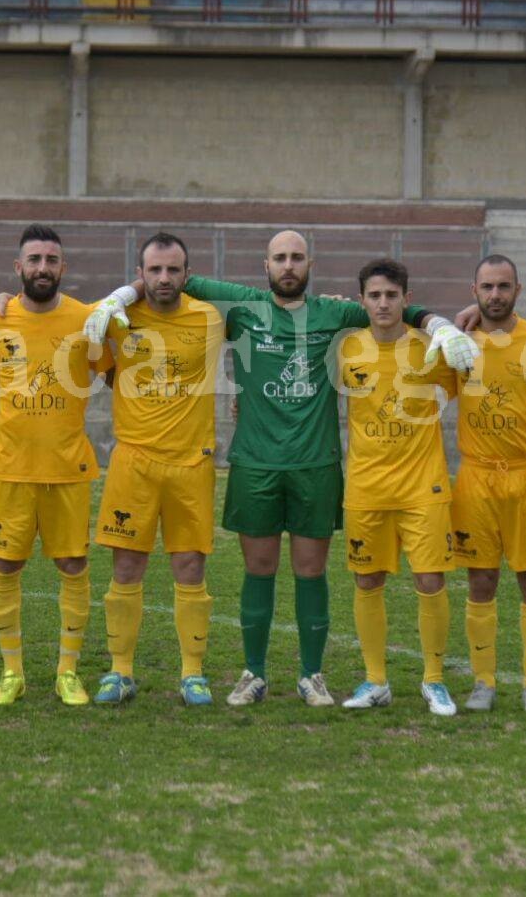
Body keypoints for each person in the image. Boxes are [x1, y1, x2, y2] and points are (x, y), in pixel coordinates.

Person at [151, 230, 473, 708]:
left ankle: (312, 675)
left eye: (296, 257)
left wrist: (440, 322)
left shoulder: (336, 314)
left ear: (310, 264)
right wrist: (120, 294)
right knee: (258, 570)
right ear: (265, 265)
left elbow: (392, 305)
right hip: (255, 462)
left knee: (310, 571)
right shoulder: (243, 307)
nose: (288, 265)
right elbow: (173, 279)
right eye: (279, 257)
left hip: (315, 464)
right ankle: (253, 673)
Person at [81, 233, 223, 706]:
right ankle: (120, 672)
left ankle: (192, 673)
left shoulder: (209, 318)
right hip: (134, 463)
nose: (165, 278)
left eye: (174, 270)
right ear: (140, 273)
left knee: (189, 566)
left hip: (191, 464)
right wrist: (119, 297)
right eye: (155, 270)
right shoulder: (119, 321)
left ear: (188, 273)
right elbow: (95, 357)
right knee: (126, 567)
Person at [0, 225, 103, 707]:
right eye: (34, 259)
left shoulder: (85, 320)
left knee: (73, 564)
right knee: (6, 564)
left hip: (68, 469)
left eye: (51, 259)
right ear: (18, 268)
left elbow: (113, 369)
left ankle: (67, 673)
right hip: (10, 470)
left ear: (63, 268)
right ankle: (12, 673)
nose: (43, 267)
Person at [337, 258, 463, 717]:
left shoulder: (432, 348)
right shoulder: (346, 348)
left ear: (407, 300)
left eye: (392, 295)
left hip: (422, 487)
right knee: (367, 580)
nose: (384, 303)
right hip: (366, 487)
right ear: (362, 301)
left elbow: (471, 385)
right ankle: (375, 681)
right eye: (375, 295)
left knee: (430, 580)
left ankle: (434, 680)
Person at [451, 255, 526, 713]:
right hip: (476, 475)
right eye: (487, 287)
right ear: (474, 290)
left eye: (503, 286)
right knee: (480, 581)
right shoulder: (459, 344)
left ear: (519, 290)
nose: (495, 295)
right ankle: (483, 682)